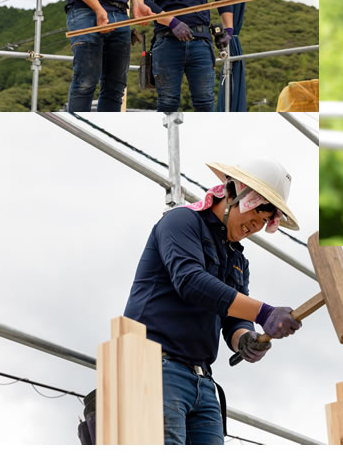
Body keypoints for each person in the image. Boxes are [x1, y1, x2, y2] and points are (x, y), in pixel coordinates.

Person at [123, 159, 303, 445]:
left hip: (202, 381)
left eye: (261, 224)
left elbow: (233, 319)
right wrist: (264, 312)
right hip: (156, 365)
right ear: (231, 194)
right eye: (252, 217)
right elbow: (191, 281)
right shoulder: (181, 222)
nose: (253, 228)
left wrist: (245, 339)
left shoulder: (238, 260)